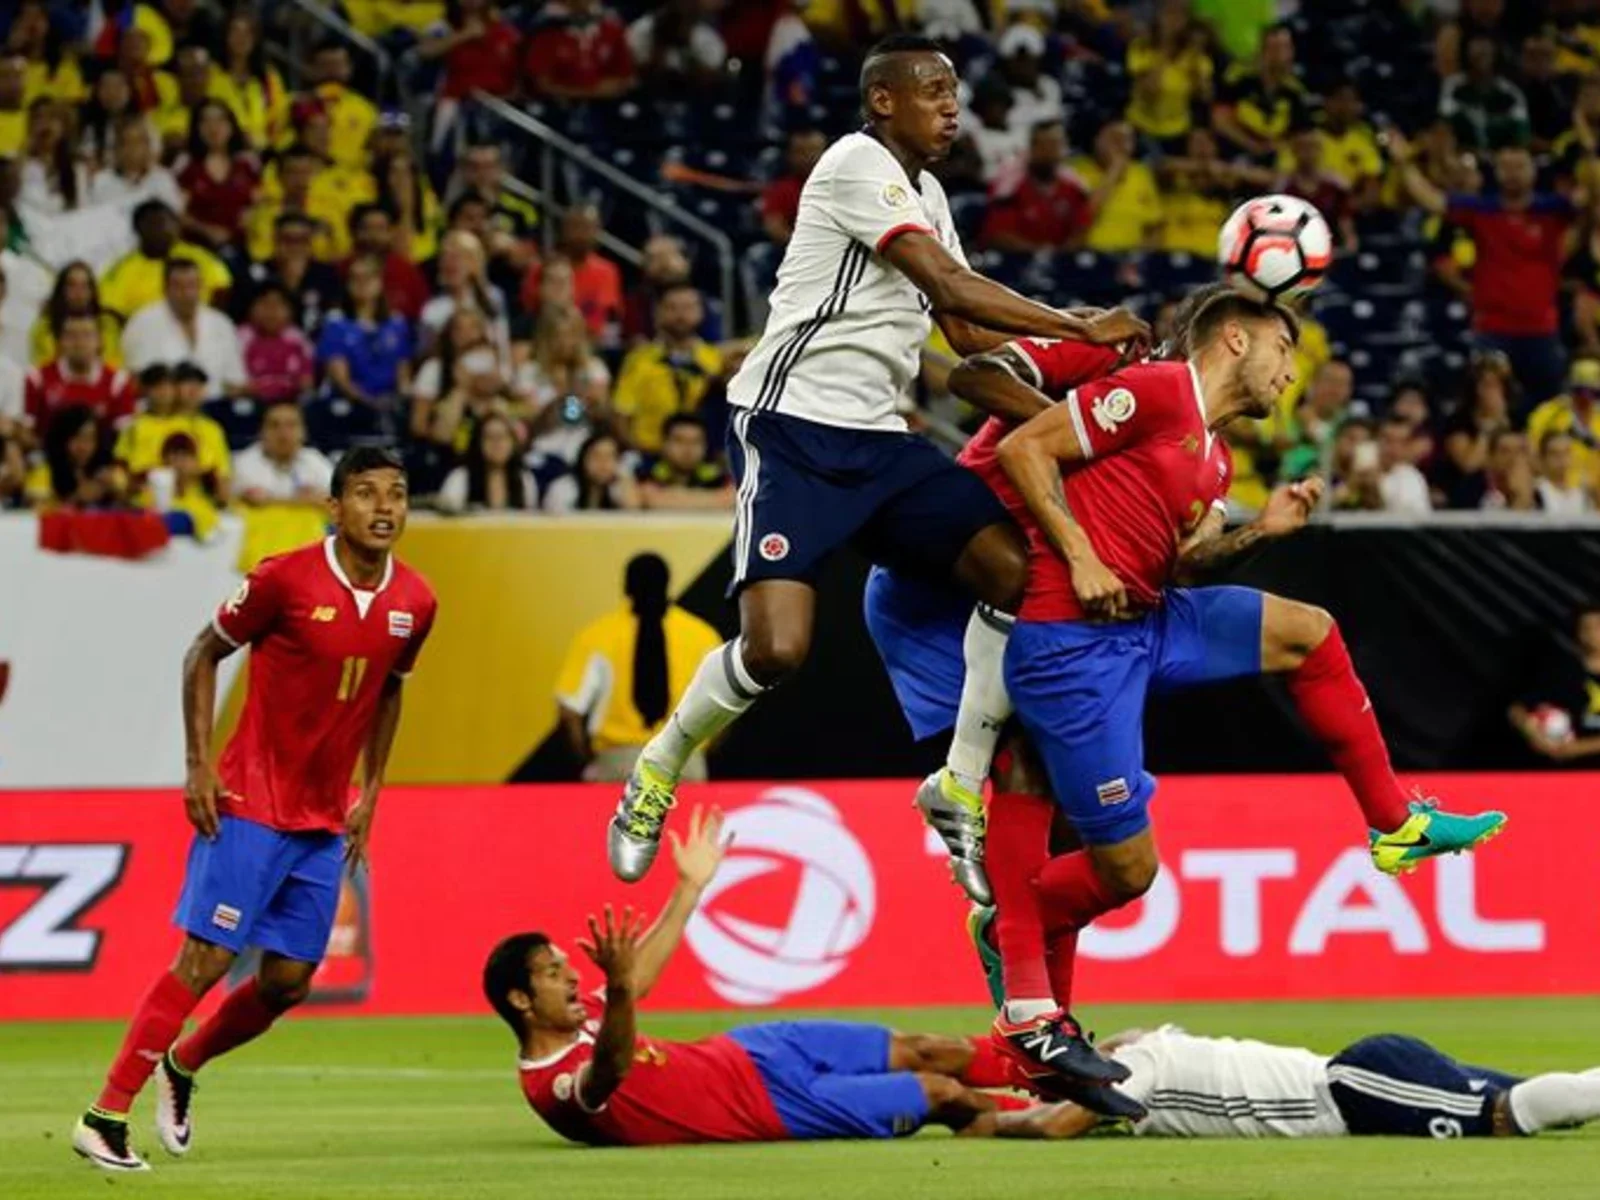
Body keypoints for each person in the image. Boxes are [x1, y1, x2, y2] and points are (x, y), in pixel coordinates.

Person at [606, 34, 1147, 887]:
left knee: (1017, 573)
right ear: (883, 99)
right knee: (777, 651)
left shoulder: (929, 192)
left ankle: (958, 787)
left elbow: (965, 332)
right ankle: (659, 765)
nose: (951, 105)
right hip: (790, 429)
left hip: (881, 440)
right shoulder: (856, 163)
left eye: (956, 92)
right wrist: (1079, 327)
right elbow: (950, 285)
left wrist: (1064, 342)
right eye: (933, 89)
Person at [971, 291, 1505, 1091]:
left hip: (1150, 617)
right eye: (1284, 352)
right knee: (1126, 872)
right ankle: (1016, 936)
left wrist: (1262, 533)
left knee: (1309, 632)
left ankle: (1395, 822)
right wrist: (1080, 554)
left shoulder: (1216, 457)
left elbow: (1186, 564)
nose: (1292, 373)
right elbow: (1024, 448)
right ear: (1234, 339)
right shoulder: (1154, 390)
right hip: (1075, 642)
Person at [71, 447, 437, 1172]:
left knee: (288, 981)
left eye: (395, 494)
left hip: (324, 816)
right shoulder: (283, 578)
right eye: (365, 494)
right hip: (250, 799)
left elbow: (390, 689)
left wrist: (373, 790)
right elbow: (202, 654)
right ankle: (104, 1116)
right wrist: (198, 764)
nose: (384, 507)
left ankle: (184, 1063)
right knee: (206, 957)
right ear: (334, 508)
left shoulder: (416, 602)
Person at [487, 805, 1082, 1147]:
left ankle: (1057, 1067)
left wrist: (690, 887)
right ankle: (1068, 1112)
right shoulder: (554, 1086)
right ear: (520, 999)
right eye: (551, 973)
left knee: (927, 1049)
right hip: (772, 1109)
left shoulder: (584, 1016)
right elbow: (611, 1068)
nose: (569, 978)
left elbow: (634, 983)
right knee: (940, 1094)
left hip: (753, 1050)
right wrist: (617, 989)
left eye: (566, 966)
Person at [960, 1012, 1600, 1141]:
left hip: (1356, 1086)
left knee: (1505, 1117)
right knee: (1540, 1100)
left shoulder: (1144, 1066)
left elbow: (1058, 1125)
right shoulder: (1164, 1049)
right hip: (1366, 1077)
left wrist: (988, 1124)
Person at [1390, 130, 1579, 408]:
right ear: (1497, 172)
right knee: (1487, 406)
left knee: (1552, 409)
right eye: (1506, 167)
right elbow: (1432, 200)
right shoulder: (1482, 210)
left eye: (1519, 166)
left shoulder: (1553, 210)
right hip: (1492, 329)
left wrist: (1588, 146)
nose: (1513, 173)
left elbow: (1590, 199)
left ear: (1533, 171)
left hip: (1542, 329)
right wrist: (1404, 164)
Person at [555, 554, 722, 781]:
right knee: (686, 819)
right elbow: (724, 706)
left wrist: (586, 759)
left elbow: (569, 712)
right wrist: (703, 751)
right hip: (684, 760)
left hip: (616, 762)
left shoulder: (598, 636)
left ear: (626, 587)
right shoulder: (702, 636)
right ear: (667, 583)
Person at [611, 284, 721, 454]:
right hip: (647, 455)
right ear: (657, 312)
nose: (680, 315)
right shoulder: (638, 360)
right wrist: (637, 452)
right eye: (672, 307)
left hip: (703, 459)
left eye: (688, 307)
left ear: (701, 311)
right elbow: (621, 415)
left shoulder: (716, 360)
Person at [121, 259, 248, 398]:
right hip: (162, 412)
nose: (187, 294)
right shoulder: (143, 322)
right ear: (165, 289)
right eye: (179, 287)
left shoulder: (221, 324)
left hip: (214, 408)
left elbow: (235, 381)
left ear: (201, 287)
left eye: (192, 285)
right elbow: (137, 381)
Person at [99, 199, 231, 320]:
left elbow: (221, 288)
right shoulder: (122, 268)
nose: (164, 229)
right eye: (155, 224)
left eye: (169, 223)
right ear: (138, 229)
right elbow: (110, 310)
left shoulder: (198, 255)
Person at [1509, 603, 1600, 763]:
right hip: (1563, 772)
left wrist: (1578, 748)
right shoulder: (1563, 671)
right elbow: (1516, 709)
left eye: (1598, 625)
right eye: (1587, 627)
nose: (1593, 632)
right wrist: (1532, 732)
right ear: (1579, 634)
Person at [24, 312, 135, 438]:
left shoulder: (118, 382)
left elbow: (124, 438)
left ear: (100, 341)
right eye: (71, 336)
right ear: (60, 342)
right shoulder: (37, 378)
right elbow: (26, 432)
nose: (79, 343)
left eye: (87, 335)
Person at [232, 399, 333, 505]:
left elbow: (335, 501)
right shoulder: (244, 463)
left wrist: (271, 499)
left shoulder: (314, 459)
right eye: (274, 425)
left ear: (304, 432)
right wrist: (306, 500)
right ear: (261, 432)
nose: (283, 433)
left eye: (291, 425)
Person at [436, 412, 535, 514]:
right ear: (478, 443)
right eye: (489, 437)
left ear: (513, 443)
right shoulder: (460, 478)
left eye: (502, 436)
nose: (497, 443)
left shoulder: (525, 479)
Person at [638, 412, 731, 510]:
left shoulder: (717, 476)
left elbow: (729, 500)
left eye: (696, 442)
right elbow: (650, 501)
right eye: (679, 440)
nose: (688, 449)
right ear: (664, 444)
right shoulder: (647, 473)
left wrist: (671, 497)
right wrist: (710, 498)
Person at [542, 430, 639, 513]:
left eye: (609, 457)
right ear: (583, 459)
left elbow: (633, 515)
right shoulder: (564, 488)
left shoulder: (616, 488)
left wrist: (625, 477)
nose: (603, 463)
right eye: (597, 456)